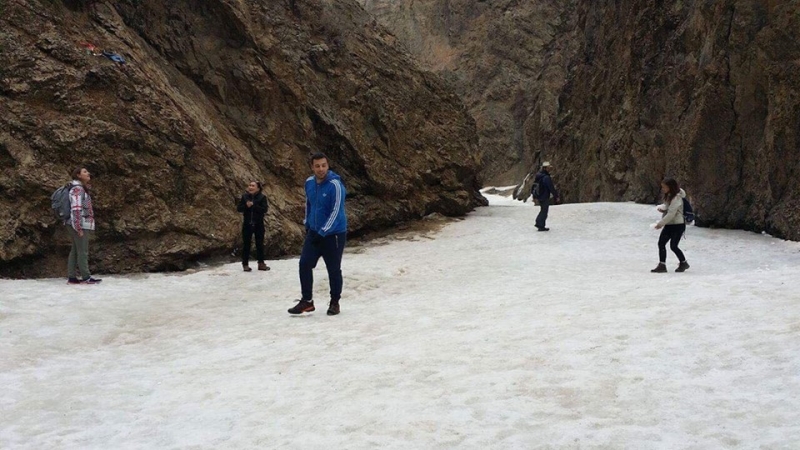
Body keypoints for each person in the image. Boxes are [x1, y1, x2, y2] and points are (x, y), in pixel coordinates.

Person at [288, 153, 347, 316]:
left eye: (323, 165)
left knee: (333, 269)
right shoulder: (309, 182)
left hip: (333, 234)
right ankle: (307, 301)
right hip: (314, 232)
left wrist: (323, 231)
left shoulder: (335, 185)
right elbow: (309, 204)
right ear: (312, 167)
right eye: (317, 166)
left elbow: (336, 212)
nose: (321, 169)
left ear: (328, 166)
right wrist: (307, 223)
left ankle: (335, 302)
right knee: (304, 264)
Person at [67, 167, 102, 284]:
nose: (88, 173)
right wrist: (78, 226)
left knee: (75, 250)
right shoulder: (78, 189)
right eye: (85, 172)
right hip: (80, 223)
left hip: (76, 223)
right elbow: (76, 208)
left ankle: (72, 277)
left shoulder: (79, 188)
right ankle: (86, 277)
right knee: (82, 250)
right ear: (78, 175)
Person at [651, 178, 690, 273]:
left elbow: (672, 213)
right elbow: (669, 209)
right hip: (670, 224)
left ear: (670, 187)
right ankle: (662, 265)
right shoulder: (669, 196)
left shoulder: (677, 198)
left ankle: (683, 262)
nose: (663, 189)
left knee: (674, 246)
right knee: (661, 243)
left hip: (678, 225)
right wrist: (664, 209)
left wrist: (660, 224)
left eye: (664, 187)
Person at [237, 181, 270, 272]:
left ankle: (261, 263)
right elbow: (239, 208)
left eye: (253, 186)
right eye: (250, 185)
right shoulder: (245, 197)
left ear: (258, 188)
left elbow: (264, 210)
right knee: (246, 244)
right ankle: (245, 264)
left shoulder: (262, 197)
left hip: (258, 224)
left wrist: (254, 205)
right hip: (247, 223)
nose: (250, 187)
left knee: (260, 244)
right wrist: (246, 206)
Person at [533, 161, 559, 231]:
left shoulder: (539, 175)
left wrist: (534, 196)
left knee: (543, 210)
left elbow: (534, 186)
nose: (549, 169)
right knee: (544, 211)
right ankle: (540, 224)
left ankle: (540, 224)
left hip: (539, 195)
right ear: (545, 168)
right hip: (544, 196)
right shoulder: (546, 177)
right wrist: (556, 196)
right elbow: (551, 187)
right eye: (548, 168)